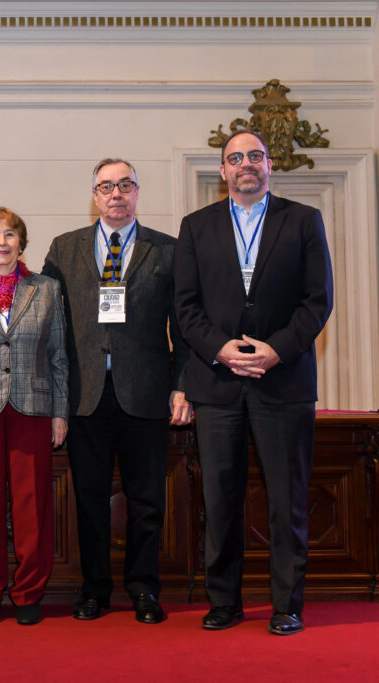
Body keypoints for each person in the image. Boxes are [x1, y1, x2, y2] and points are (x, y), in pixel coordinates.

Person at [0, 159, 191, 623]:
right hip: (85, 394)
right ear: (94, 196)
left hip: (145, 392)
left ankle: (144, 590)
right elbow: (31, 298)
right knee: (88, 498)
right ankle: (94, 590)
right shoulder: (65, 249)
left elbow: (183, 328)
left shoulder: (167, 250)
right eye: (106, 187)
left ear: (136, 191)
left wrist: (181, 387)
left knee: (146, 499)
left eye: (124, 185)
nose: (115, 194)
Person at [174, 130, 334, 635]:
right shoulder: (196, 227)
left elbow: (317, 300)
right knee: (220, 498)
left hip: (282, 382)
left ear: (270, 166)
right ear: (222, 171)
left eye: (256, 156)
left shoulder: (304, 220)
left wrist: (277, 349)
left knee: (286, 499)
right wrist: (220, 349)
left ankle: (288, 604)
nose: (246, 164)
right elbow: (185, 306)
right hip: (217, 383)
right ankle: (225, 601)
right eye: (235, 157)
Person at [0, 207, 69, 626]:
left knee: (31, 503)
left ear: (21, 242)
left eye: (10, 235)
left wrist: (60, 412)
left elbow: (58, 357)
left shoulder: (47, 289)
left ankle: (28, 592)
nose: (2, 242)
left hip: (33, 407)